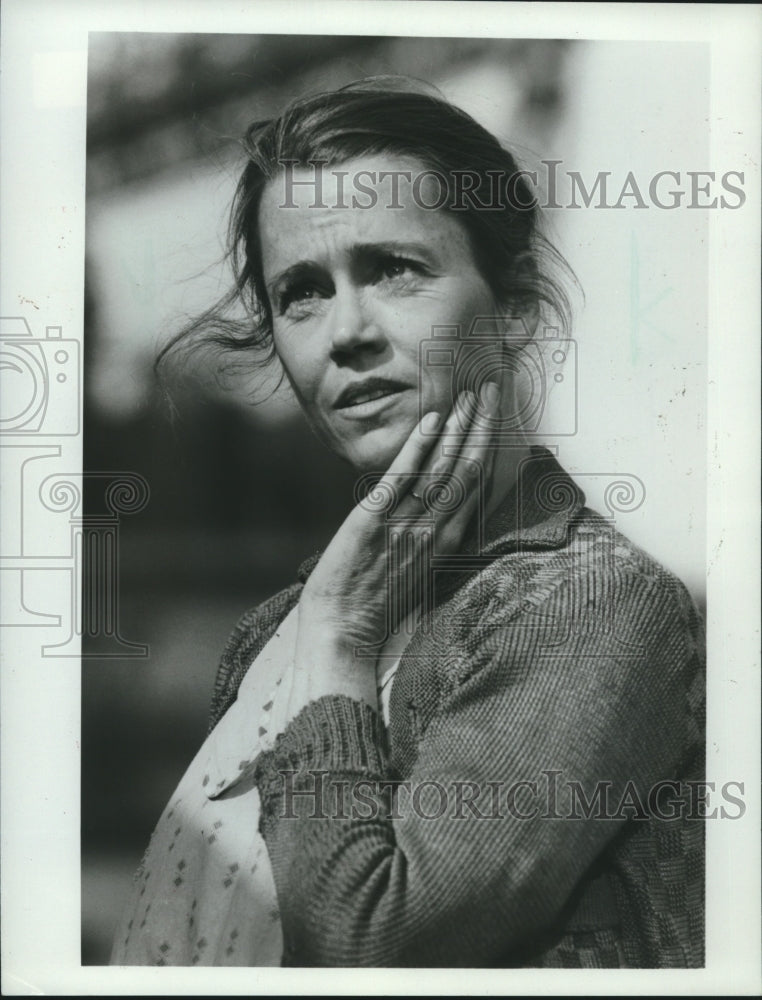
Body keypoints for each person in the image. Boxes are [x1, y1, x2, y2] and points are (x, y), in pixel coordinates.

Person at [110, 79, 705, 969]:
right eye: (302, 292)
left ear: (514, 308)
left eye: (394, 268)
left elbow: (374, 941)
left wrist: (342, 649)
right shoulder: (277, 629)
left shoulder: (593, 604)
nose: (345, 331)